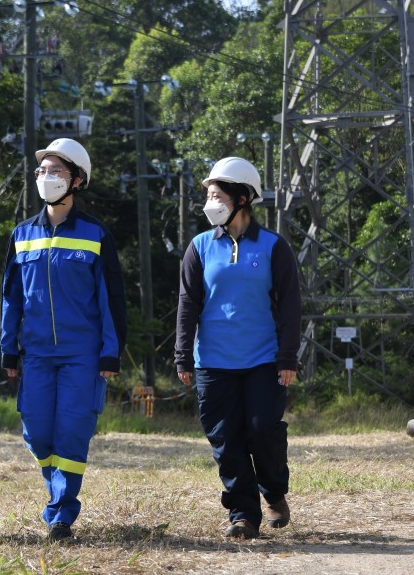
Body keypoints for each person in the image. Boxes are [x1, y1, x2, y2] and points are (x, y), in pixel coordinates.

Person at [0, 138, 128, 542]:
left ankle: (61, 513)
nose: (46, 177)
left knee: (72, 430)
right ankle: (55, 492)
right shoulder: (22, 235)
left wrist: (111, 351)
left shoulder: (95, 234)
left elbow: (112, 299)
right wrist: (7, 346)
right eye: (42, 171)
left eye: (55, 171)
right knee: (37, 431)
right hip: (36, 353)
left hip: (82, 355)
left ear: (76, 180)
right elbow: (11, 297)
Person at [175, 156, 302, 540]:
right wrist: (183, 354)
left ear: (242, 198)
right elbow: (187, 303)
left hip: (264, 359)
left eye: (218, 196)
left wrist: (288, 356)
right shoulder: (199, 247)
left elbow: (291, 304)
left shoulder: (273, 246)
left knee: (263, 431)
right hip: (213, 362)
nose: (210, 203)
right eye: (209, 196)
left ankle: (274, 491)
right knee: (227, 441)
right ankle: (243, 514)